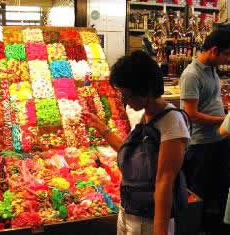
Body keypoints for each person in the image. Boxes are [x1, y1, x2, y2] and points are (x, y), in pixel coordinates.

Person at [82, 50, 190, 235]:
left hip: (149, 220)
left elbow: (164, 181)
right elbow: (129, 153)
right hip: (130, 210)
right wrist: (101, 127)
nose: (124, 101)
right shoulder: (146, 116)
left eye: (126, 95)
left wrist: (160, 231)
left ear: (145, 91)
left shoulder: (172, 123)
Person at [180, 29, 230, 234]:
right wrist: (225, 119)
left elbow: (212, 102)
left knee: (218, 190)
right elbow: (190, 114)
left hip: (219, 140)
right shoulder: (191, 75)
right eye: (227, 54)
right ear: (214, 50)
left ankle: (214, 227)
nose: (228, 59)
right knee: (199, 194)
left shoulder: (212, 70)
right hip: (201, 145)